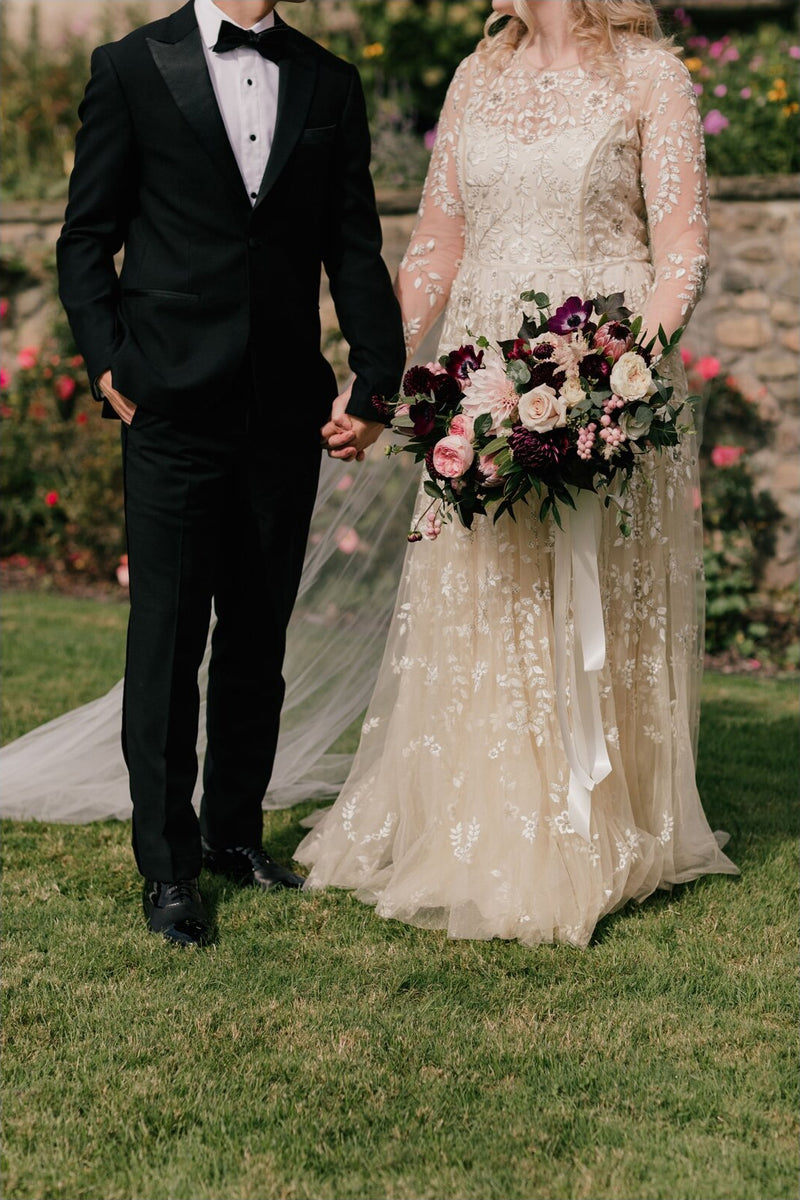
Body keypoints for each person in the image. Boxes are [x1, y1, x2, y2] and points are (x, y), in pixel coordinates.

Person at [298, 0, 739, 948]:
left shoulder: (650, 77)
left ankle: (595, 824)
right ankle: (483, 822)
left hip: (599, 378)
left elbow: (682, 256)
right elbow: (434, 252)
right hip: (481, 375)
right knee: (487, 597)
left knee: (586, 604)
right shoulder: (475, 74)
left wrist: (619, 379)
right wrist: (379, 384)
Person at [55, 0, 405, 946]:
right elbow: (85, 236)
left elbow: (354, 241)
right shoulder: (131, 67)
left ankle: (234, 836)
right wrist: (106, 359)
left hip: (286, 408)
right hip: (168, 404)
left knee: (259, 634)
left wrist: (378, 376)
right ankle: (167, 871)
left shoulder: (330, 79)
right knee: (168, 640)